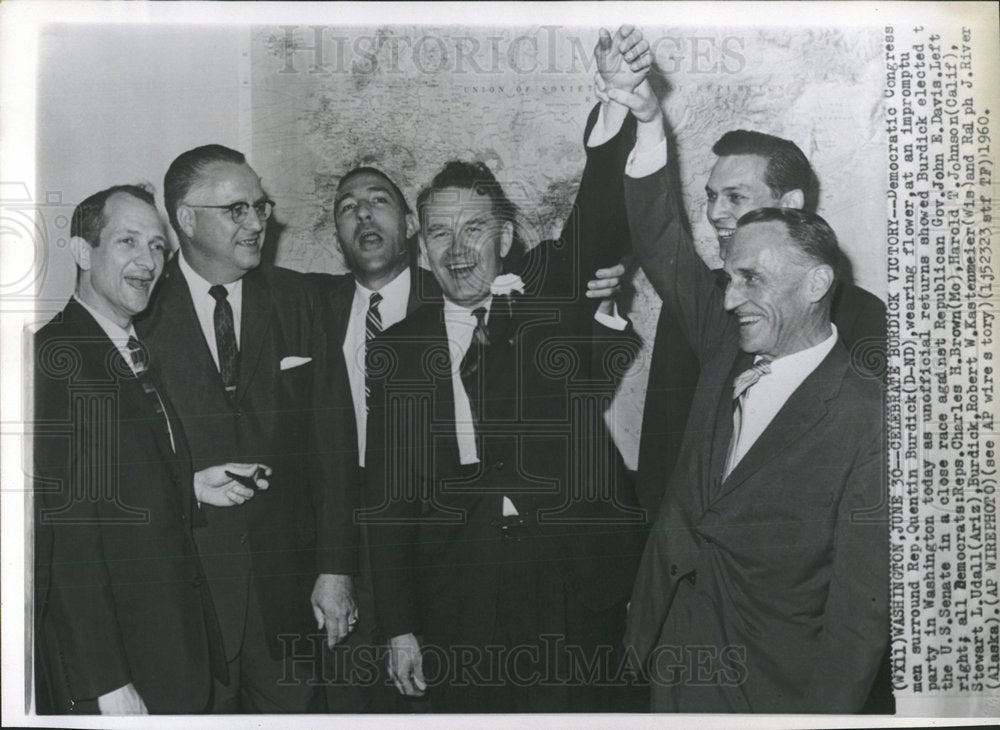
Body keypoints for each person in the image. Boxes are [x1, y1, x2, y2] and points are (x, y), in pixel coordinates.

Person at [612, 78, 889, 711]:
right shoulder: (727, 331)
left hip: (774, 681)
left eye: (749, 279)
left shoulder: (869, 405)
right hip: (674, 651)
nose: (729, 296)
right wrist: (647, 121)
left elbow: (859, 605)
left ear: (816, 282)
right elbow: (662, 245)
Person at [363, 153, 647, 713]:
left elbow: (595, 228)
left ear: (506, 237)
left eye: (474, 229)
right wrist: (398, 626)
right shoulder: (397, 349)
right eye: (440, 233)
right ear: (423, 248)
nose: (457, 249)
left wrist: (616, 113)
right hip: (458, 585)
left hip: (571, 574)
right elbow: (388, 499)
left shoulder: (544, 308)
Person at [590, 33, 886, 518]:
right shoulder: (713, 297)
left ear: (790, 206)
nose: (715, 214)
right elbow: (659, 236)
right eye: (710, 196)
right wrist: (646, 120)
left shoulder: (863, 319)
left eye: (735, 197)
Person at [136, 146, 359, 712]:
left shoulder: (300, 302)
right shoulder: (141, 311)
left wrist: (335, 569)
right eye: (237, 210)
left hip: (287, 595)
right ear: (186, 219)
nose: (258, 222)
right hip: (187, 601)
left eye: (261, 206)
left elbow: (333, 447)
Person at [33, 184, 269, 714]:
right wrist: (105, 682)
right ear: (81, 252)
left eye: (159, 246)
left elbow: (106, 487)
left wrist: (187, 486)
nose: (148, 261)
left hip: (169, 650)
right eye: (127, 242)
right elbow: (64, 543)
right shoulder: (56, 360)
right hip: (122, 666)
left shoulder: (125, 346)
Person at [306, 166, 441, 712]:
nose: (362, 213)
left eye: (378, 200)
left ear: (408, 223)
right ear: (336, 234)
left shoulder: (450, 301)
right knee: (352, 696)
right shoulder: (309, 310)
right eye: (346, 207)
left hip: (432, 539)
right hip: (340, 540)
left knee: (432, 695)